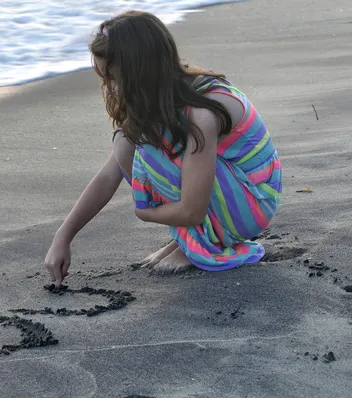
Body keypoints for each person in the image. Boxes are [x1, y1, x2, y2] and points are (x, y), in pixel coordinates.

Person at [44, 10, 282, 286]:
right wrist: (63, 237)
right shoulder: (167, 98)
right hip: (230, 193)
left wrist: (145, 212)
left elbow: (193, 210)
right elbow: (108, 175)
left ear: (140, 75)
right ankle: (195, 238)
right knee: (126, 142)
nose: (108, 90)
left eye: (113, 79)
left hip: (253, 199)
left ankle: (197, 246)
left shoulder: (201, 113)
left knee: (141, 145)